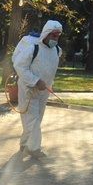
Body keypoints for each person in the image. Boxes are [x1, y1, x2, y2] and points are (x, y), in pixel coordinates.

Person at [12, 19, 62, 159]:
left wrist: (48, 84)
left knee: (36, 120)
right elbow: (19, 66)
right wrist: (35, 81)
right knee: (31, 120)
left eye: (58, 36)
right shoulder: (33, 48)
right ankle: (34, 149)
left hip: (44, 90)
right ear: (46, 34)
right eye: (53, 35)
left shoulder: (57, 50)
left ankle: (24, 143)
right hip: (29, 89)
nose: (55, 39)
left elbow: (50, 69)